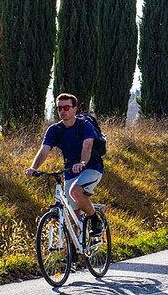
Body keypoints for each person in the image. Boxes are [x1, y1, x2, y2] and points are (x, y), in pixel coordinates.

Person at [25, 93, 104, 236]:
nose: (63, 111)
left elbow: (87, 145)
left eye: (66, 107)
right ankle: (74, 253)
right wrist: (33, 168)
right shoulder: (55, 130)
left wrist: (82, 163)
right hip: (70, 170)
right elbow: (44, 151)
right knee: (72, 214)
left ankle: (95, 219)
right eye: (59, 108)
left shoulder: (84, 125)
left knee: (76, 191)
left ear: (75, 109)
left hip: (91, 167)